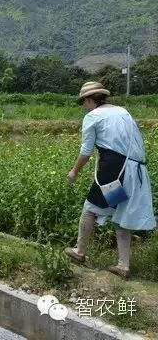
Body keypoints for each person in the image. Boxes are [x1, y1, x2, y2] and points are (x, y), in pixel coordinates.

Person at [65, 82, 156, 278]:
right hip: (136, 169)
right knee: (121, 213)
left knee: (90, 208)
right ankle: (123, 265)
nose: (83, 107)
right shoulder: (123, 111)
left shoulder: (93, 116)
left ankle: (79, 252)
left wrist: (74, 172)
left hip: (115, 170)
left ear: (88, 100)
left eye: (82, 102)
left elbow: (86, 151)